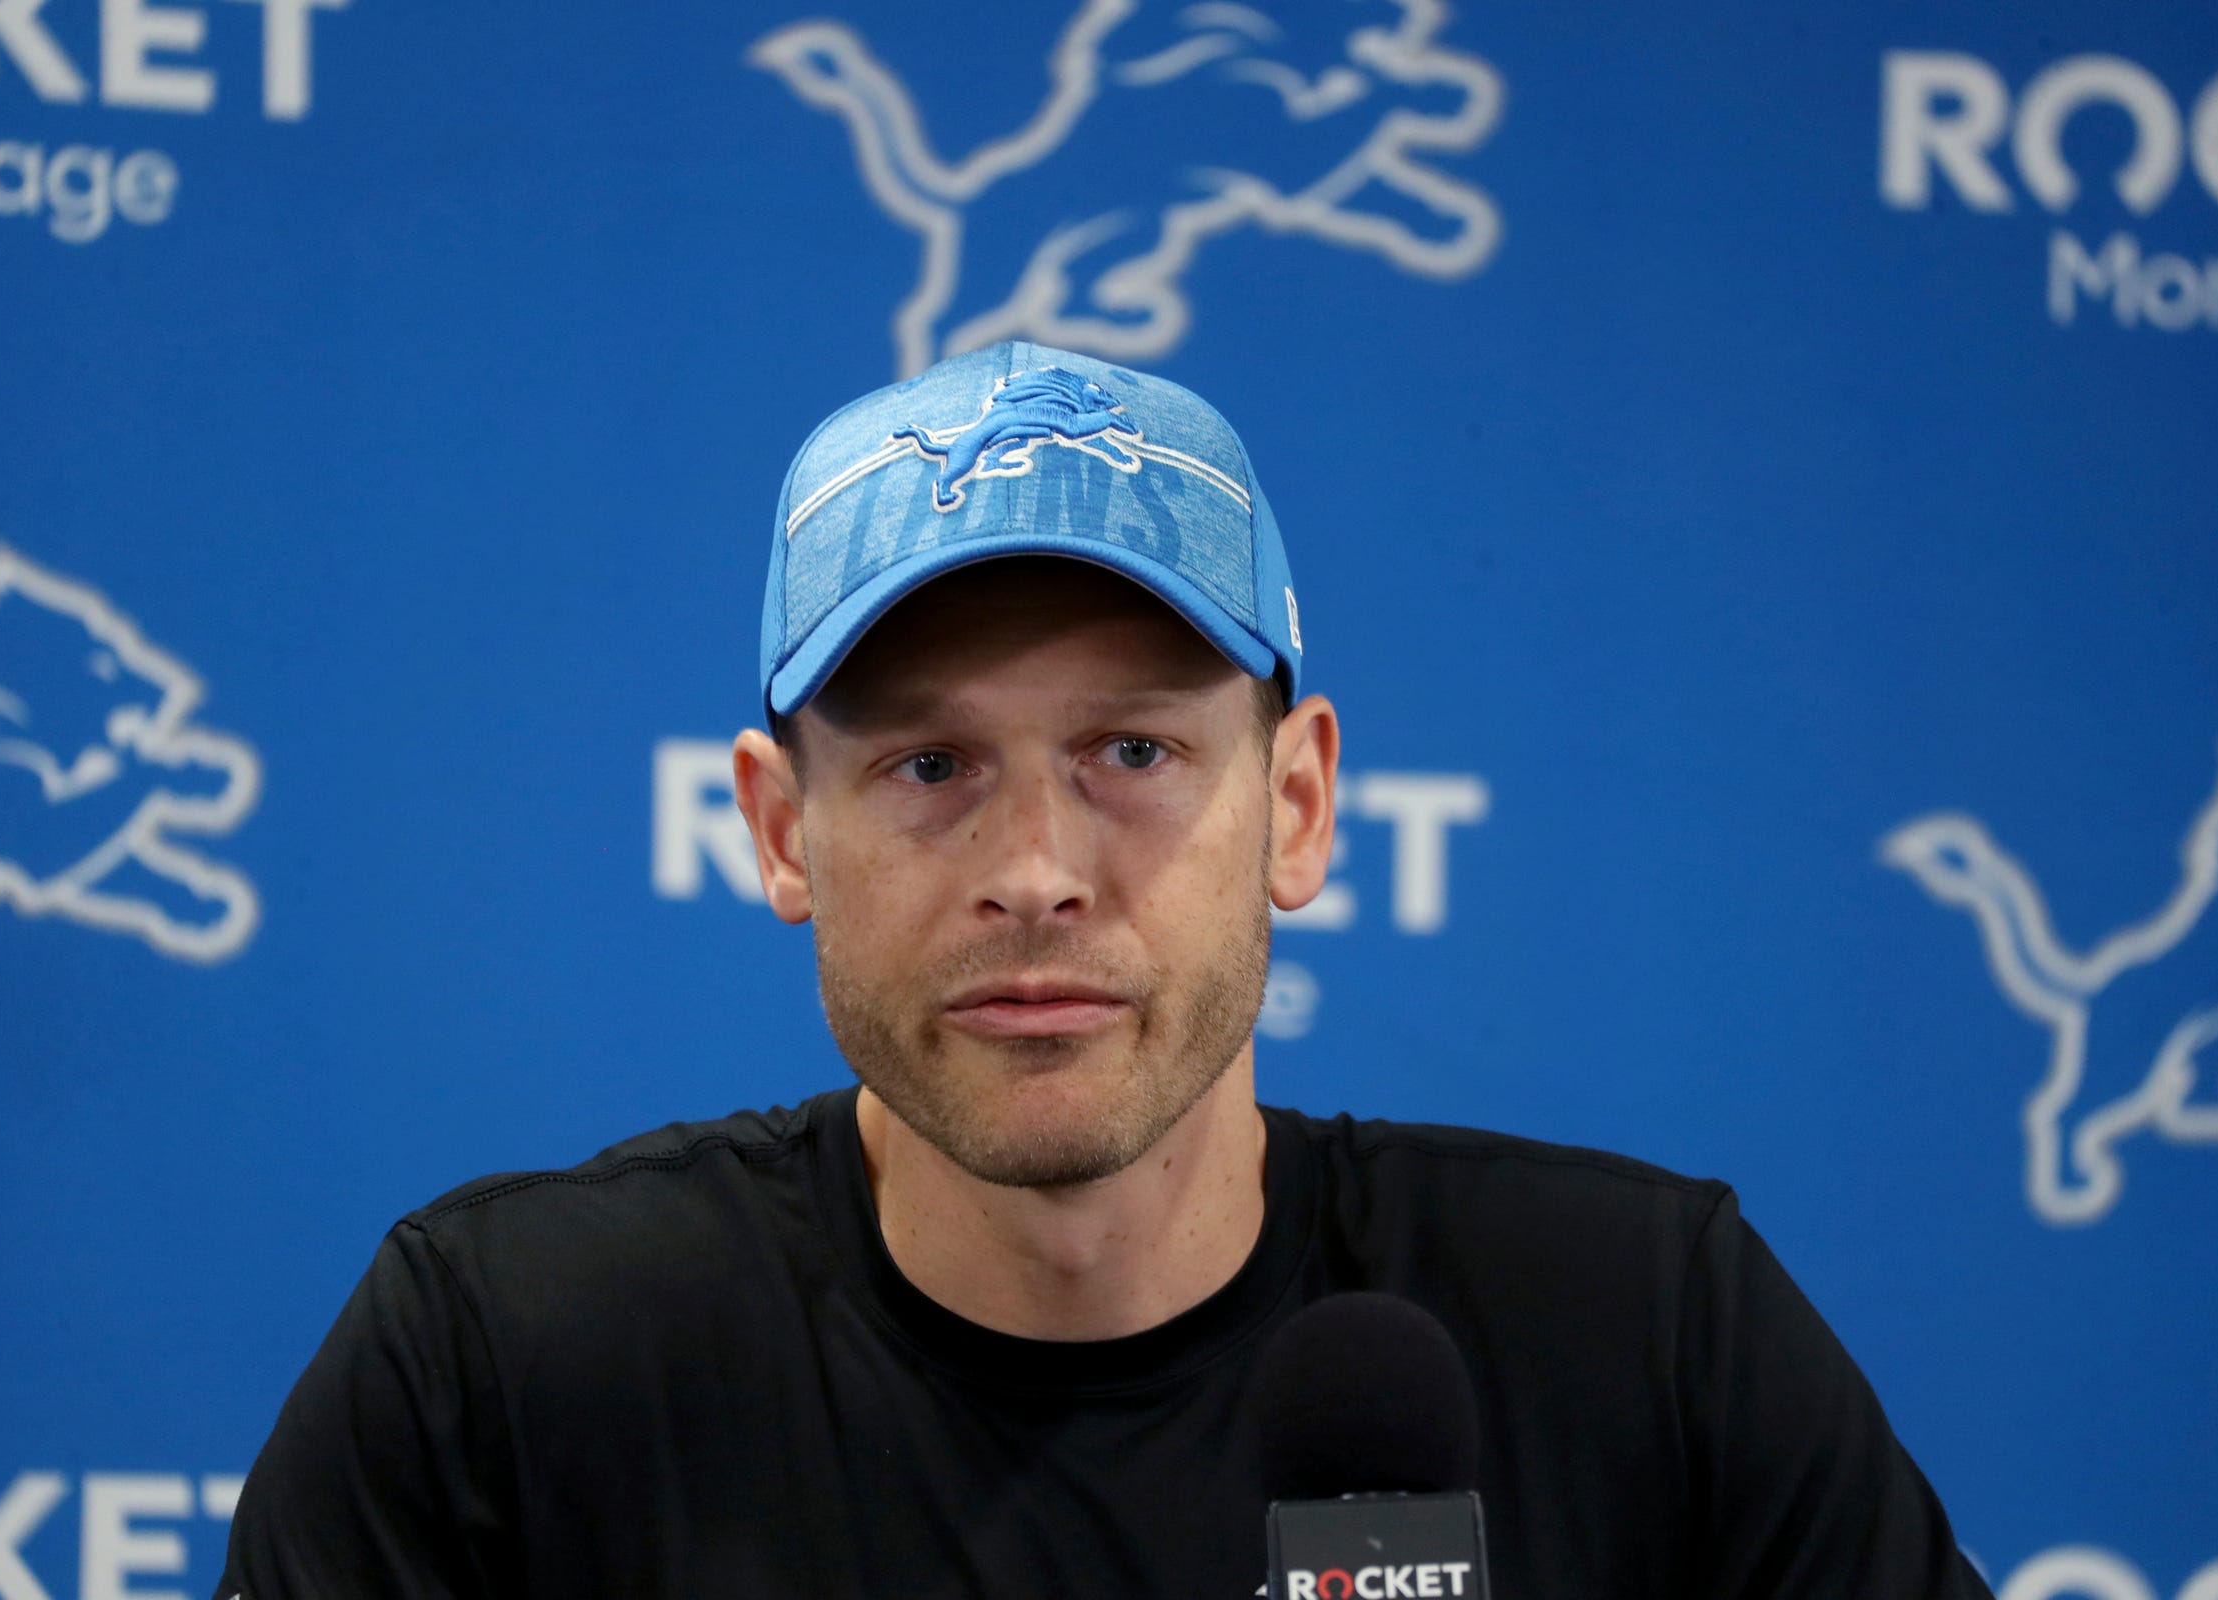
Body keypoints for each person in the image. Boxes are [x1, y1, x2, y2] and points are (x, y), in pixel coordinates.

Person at [217, 342, 1991, 1598]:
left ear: (1295, 805)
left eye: (1132, 754)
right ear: (777, 830)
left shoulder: (1647, 1340)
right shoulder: (502, 1372)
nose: (1038, 875)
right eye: (931, 768)